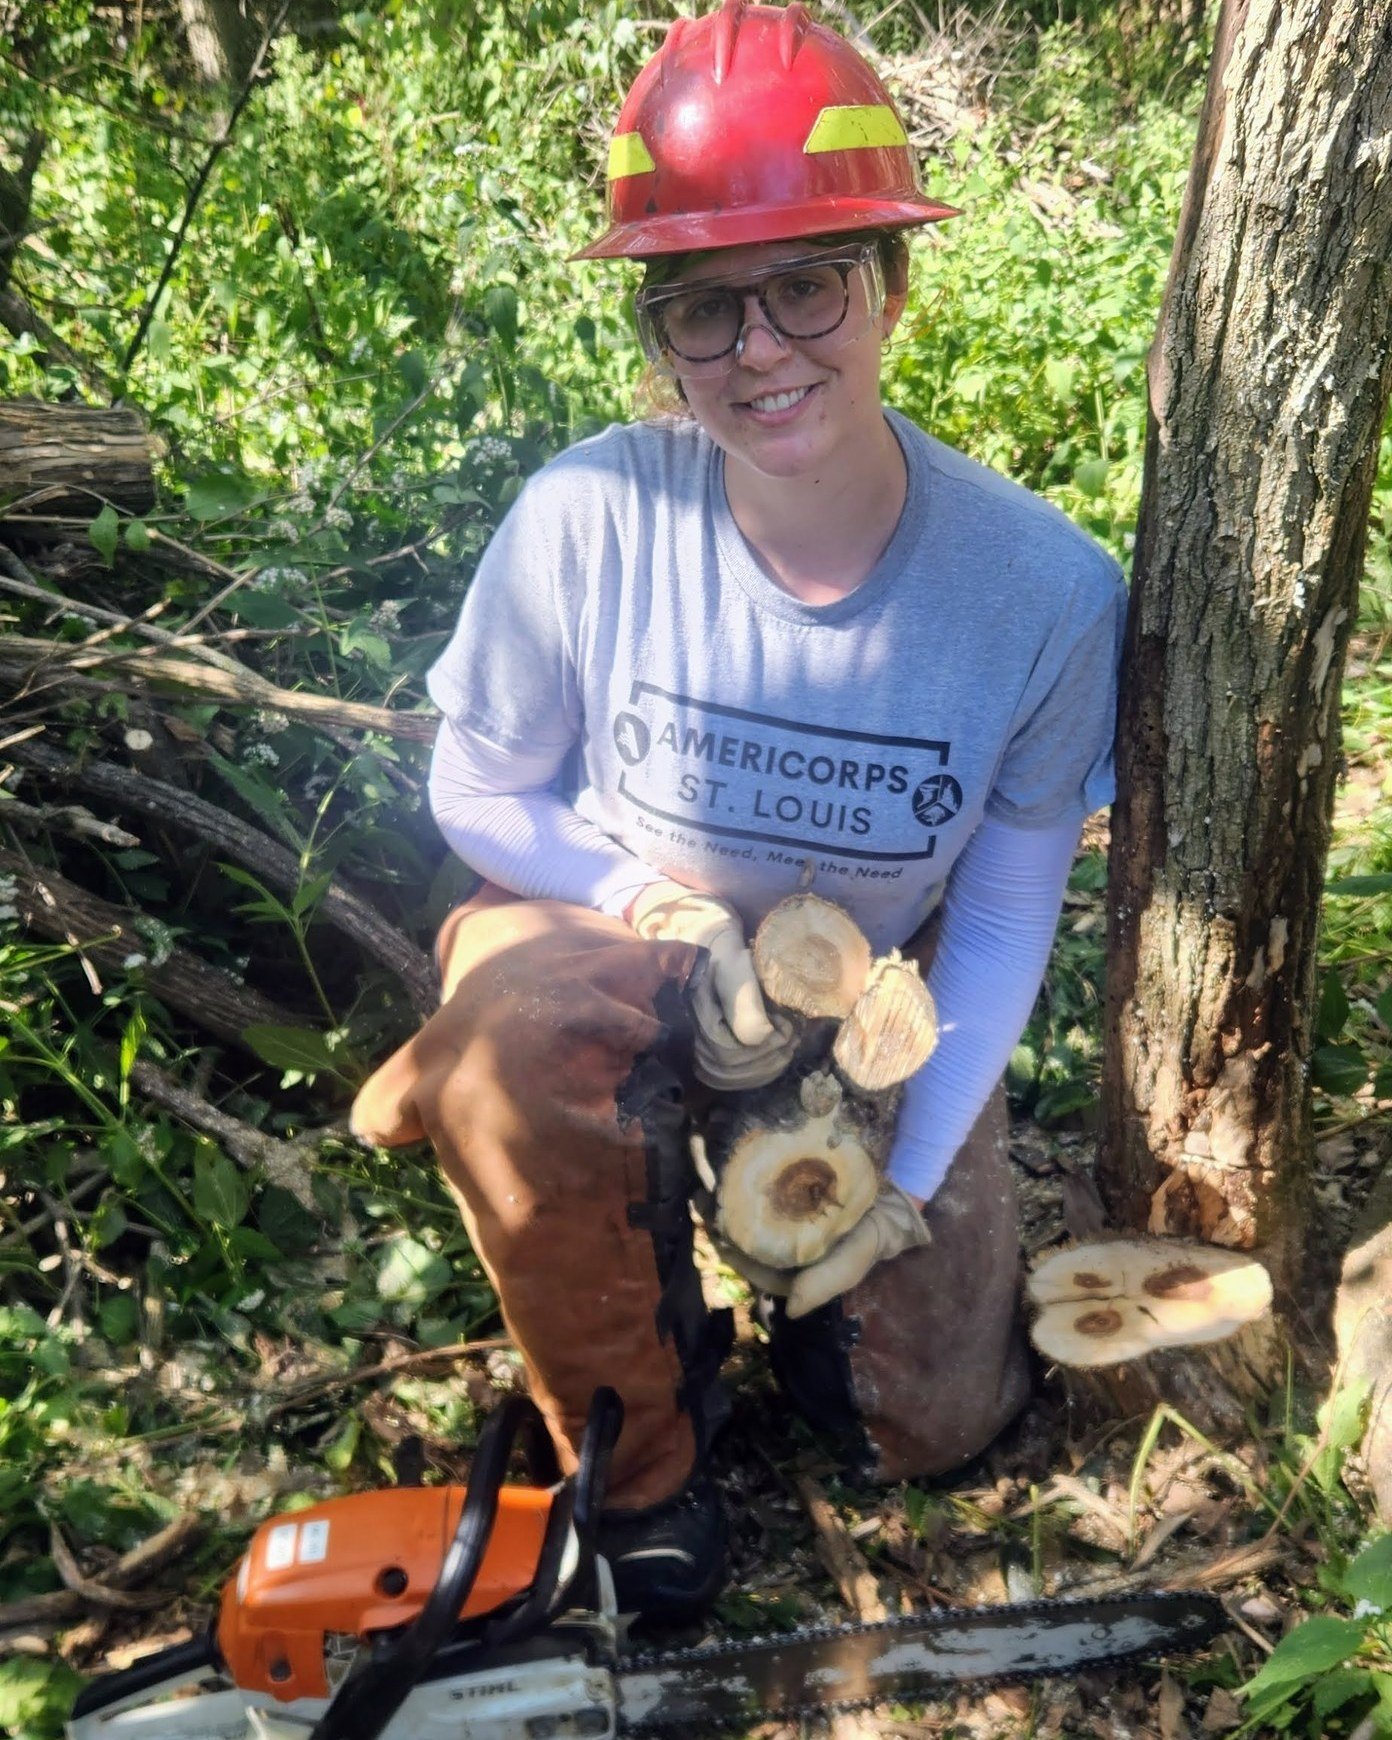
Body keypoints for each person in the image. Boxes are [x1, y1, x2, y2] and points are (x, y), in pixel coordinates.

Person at [353, 0, 1125, 1624]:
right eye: (703, 307)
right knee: (515, 1042)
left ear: (891, 285)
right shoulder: (587, 518)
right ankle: (640, 1461)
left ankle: (817, 1310)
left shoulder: (1043, 593)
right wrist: (652, 902)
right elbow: (474, 786)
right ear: (659, 335)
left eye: (807, 286)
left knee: (932, 1424)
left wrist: (904, 1179)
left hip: (862, 1006)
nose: (760, 349)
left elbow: (1000, 914)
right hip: (612, 938)